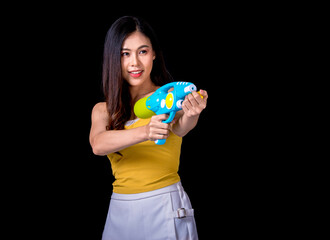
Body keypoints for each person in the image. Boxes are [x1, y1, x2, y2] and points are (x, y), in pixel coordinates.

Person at [89, 16, 208, 240]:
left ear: (154, 54)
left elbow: (182, 127)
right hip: (120, 210)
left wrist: (192, 113)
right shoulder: (103, 110)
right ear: (114, 58)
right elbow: (98, 144)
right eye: (125, 54)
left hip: (165, 205)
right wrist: (145, 132)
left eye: (142, 52)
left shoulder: (171, 98)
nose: (135, 62)